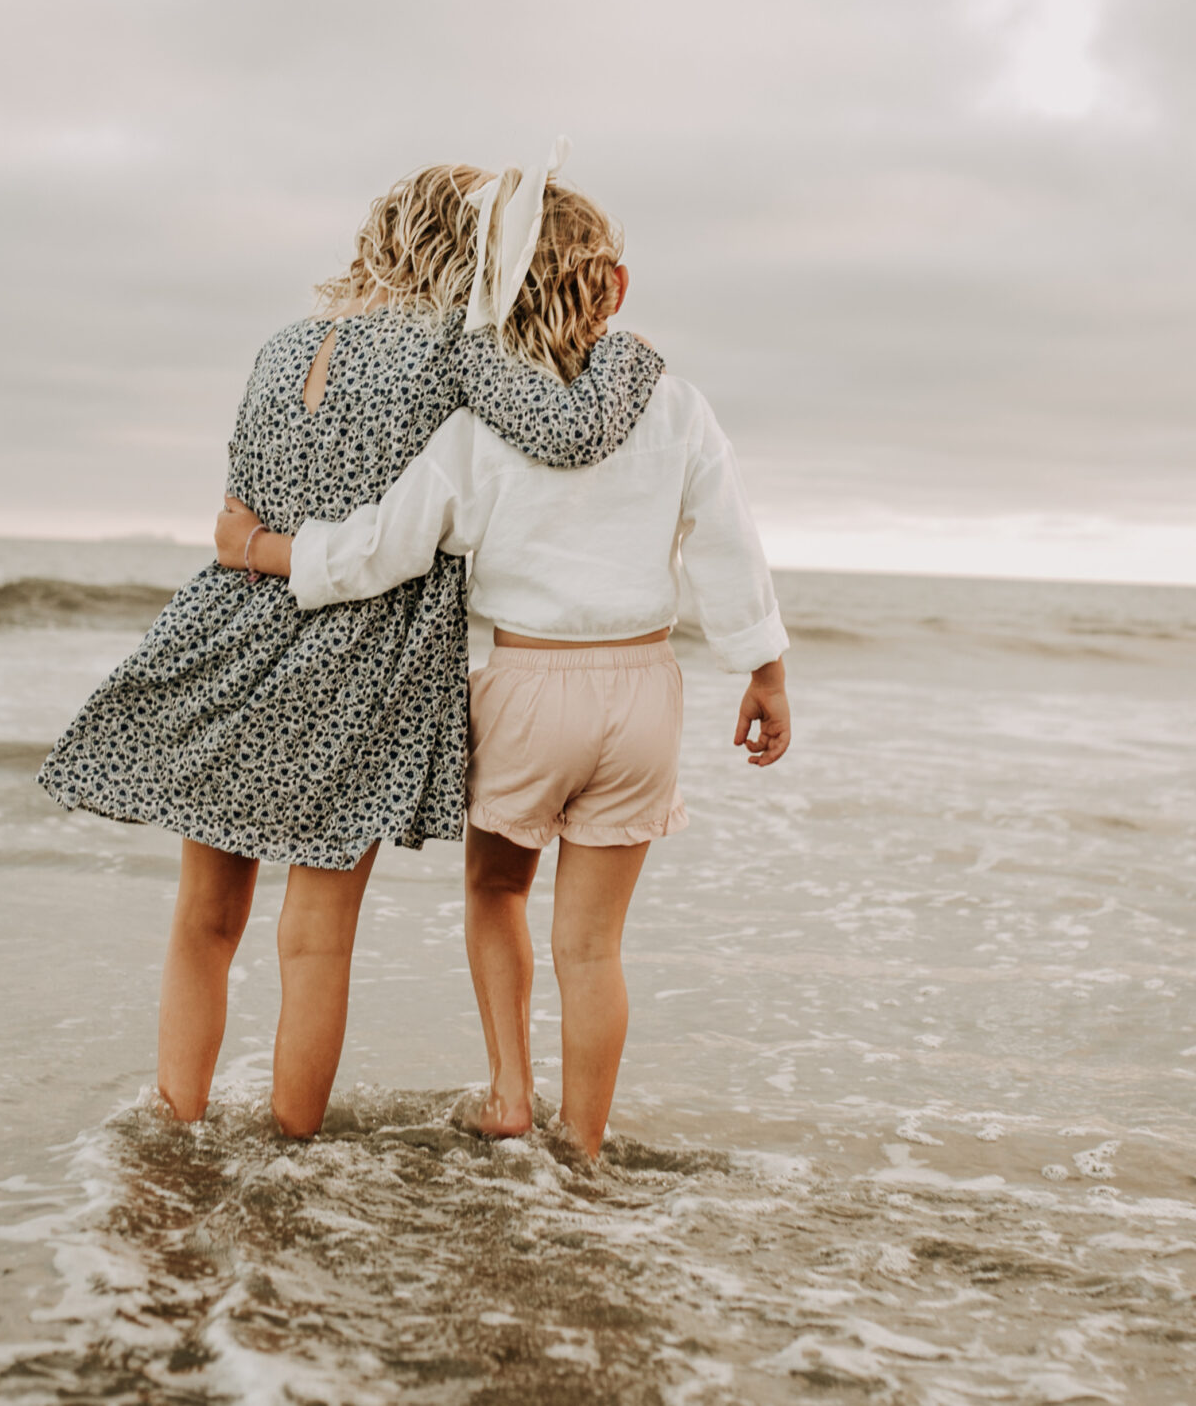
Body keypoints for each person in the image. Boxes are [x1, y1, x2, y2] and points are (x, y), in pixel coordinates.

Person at [38, 158, 663, 1138]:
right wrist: (628, 359)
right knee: (314, 938)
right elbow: (559, 439)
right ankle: (288, 1150)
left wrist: (252, 547)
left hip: (233, 628)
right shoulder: (458, 355)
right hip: (359, 661)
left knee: (204, 918)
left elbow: (244, 502)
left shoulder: (281, 346)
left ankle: (176, 1129)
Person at [213, 159, 789, 1154]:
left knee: (496, 894)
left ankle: (510, 1095)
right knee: (595, 946)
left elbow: (379, 548)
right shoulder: (678, 406)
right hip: (644, 692)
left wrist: (265, 550)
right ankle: (586, 1142)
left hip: (528, 687)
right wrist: (763, 668)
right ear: (614, 288)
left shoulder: (478, 427)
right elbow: (729, 542)